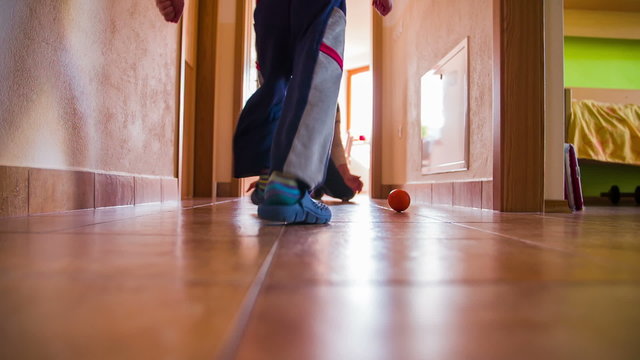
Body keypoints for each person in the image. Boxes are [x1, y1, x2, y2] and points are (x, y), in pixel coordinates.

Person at [157, 0, 393, 224]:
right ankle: (287, 186)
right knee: (317, 69)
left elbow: (336, 142)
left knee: (274, 81)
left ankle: (270, 171)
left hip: (269, 6)